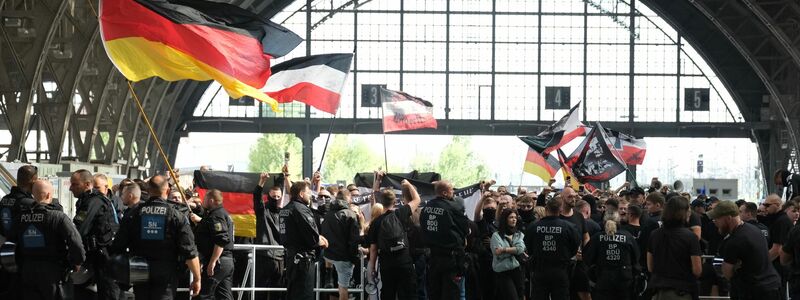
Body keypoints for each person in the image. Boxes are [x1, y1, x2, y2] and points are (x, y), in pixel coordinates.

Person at [110, 175, 202, 299]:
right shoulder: (176, 215)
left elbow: (118, 246)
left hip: (139, 268)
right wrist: (197, 278)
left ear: (148, 191)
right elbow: (189, 250)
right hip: (166, 271)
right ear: (168, 191)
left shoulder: (133, 214)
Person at [10, 180, 85, 300]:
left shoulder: (20, 217)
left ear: (33, 195)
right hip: (52, 272)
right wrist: (77, 262)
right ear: (49, 195)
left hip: (27, 270)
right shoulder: (58, 217)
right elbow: (75, 242)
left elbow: (11, 240)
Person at [706, 200, 780, 300]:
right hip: (770, 286)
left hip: (752, 291)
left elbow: (727, 272)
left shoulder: (734, 241)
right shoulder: (754, 230)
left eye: (717, 219)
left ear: (728, 218)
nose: (714, 222)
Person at [70, 169, 120, 300]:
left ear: (87, 184)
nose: (70, 188)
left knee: (107, 293)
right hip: (95, 255)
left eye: (75, 184)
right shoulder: (86, 200)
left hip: (104, 256)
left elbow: (80, 229)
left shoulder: (94, 201)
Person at [420, 180, 470, 300]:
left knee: (434, 293)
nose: (453, 192)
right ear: (444, 193)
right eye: (451, 190)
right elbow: (466, 229)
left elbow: (422, 227)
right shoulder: (453, 207)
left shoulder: (426, 207)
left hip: (433, 258)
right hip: (451, 259)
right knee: (451, 294)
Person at [279, 181, 328, 300]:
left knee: (292, 293)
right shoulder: (301, 209)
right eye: (308, 192)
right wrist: (319, 240)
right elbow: (311, 234)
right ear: (301, 194)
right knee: (304, 294)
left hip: (291, 257)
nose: (310, 195)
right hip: (303, 260)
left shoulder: (285, 209)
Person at [525, 197, 581, 300]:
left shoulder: (534, 226)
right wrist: (567, 255)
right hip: (560, 270)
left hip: (539, 269)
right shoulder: (569, 227)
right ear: (561, 210)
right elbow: (575, 246)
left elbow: (528, 246)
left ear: (546, 208)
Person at [647, 196, 702, 300]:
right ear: (683, 213)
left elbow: (650, 267)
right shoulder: (691, 237)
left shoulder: (654, 234)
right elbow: (697, 270)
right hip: (681, 292)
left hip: (658, 291)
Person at [368, 187, 417, 300]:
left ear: (381, 202)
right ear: (395, 202)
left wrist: (372, 268)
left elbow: (373, 249)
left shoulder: (376, 222)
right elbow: (416, 200)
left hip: (387, 264)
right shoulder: (401, 214)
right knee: (408, 294)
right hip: (404, 262)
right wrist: (408, 184)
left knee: (388, 293)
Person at [0, 164, 37, 299]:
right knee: (19, 286)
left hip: (5, 247)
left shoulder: (5, 199)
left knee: (7, 282)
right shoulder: (27, 203)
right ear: (33, 180)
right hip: (22, 252)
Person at [584, 210, 639, 300]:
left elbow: (587, 258)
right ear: (618, 222)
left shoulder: (597, 237)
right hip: (624, 280)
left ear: (604, 222)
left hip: (603, 280)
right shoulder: (627, 237)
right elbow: (636, 257)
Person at [321, 188, 361, 300]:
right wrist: (354, 258)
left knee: (333, 292)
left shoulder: (328, 214)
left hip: (329, 256)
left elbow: (324, 234)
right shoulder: (350, 214)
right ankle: (329, 275)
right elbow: (354, 240)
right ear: (348, 198)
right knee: (343, 290)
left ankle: (328, 274)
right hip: (344, 257)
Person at [195, 189, 234, 300]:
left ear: (211, 200)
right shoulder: (222, 214)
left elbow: (221, 240)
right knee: (224, 296)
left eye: (205, 198)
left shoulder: (216, 215)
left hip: (219, 262)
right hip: (226, 261)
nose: (203, 201)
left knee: (203, 295)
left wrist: (212, 261)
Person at [253, 173, 286, 299]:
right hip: (264, 256)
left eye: (278, 196)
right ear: (268, 197)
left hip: (280, 257)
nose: (276, 198)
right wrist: (261, 181)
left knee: (277, 292)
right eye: (273, 196)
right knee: (260, 291)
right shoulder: (262, 211)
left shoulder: (285, 213)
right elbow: (256, 197)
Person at [559, 187, 591, 300]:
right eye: (569, 197)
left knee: (585, 293)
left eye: (574, 196)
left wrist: (585, 252)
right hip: (562, 264)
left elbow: (586, 236)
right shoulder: (557, 217)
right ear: (562, 198)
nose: (573, 199)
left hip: (579, 263)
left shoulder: (578, 216)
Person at [490, 209, 526, 300]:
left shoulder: (519, 234)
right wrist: (514, 251)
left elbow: (520, 249)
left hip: (517, 270)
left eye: (515, 217)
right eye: (511, 217)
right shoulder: (496, 235)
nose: (514, 219)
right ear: (505, 219)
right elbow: (499, 254)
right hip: (503, 272)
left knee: (521, 296)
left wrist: (504, 249)